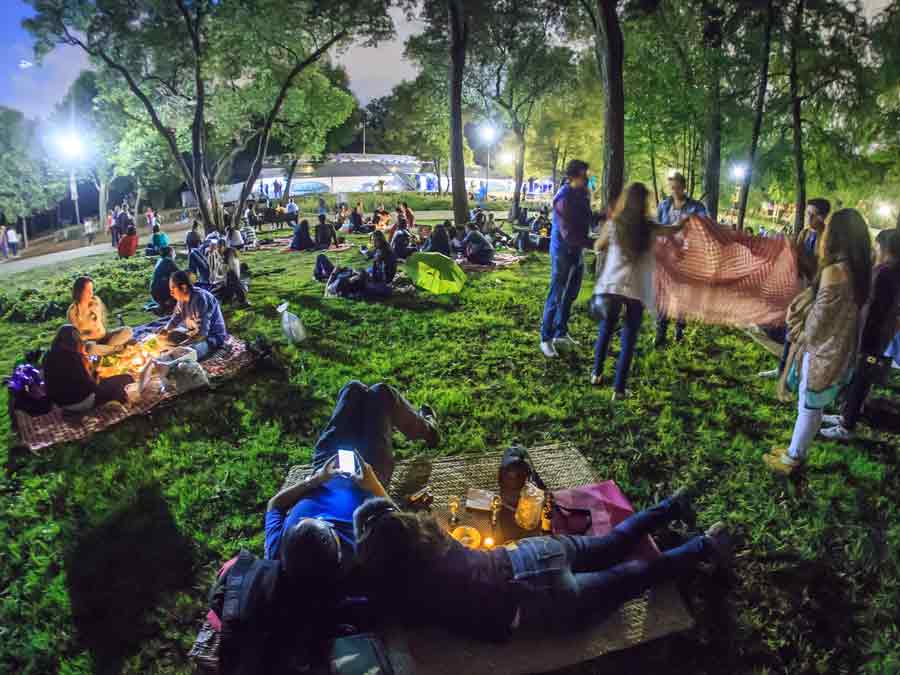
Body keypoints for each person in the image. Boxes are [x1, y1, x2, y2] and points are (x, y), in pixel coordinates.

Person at [354, 489, 729, 643]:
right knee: (612, 544)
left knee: (638, 576)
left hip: (538, 604)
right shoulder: (431, 535)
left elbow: (372, 611)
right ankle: (673, 505)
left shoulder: (405, 596)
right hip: (530, 555)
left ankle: (706, 546)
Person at [264, 381, 439, 584]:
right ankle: (429, 431)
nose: (323, 518)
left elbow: (274, 505)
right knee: (381, 394)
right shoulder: (362, 560)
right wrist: (373, 485)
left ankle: (416, 425)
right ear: (338, 552)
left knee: (353, 390)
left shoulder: (279, 554)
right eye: (327, 525)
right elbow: (401, 525)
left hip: (325, 471)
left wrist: (315, 480)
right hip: (367, 476)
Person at [764, 209, 872, 475]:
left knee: (808, 405)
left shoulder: (835, 271)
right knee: (814, 406)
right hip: (839, 347)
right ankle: (795, 451)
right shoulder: (860, 269)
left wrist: (799, 331)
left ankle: (793, 458)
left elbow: (818, 320)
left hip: (822, 350)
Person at [592, 183, 688, 399]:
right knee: (629, 338)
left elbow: (598, 246)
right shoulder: (651, 227)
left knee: (606, 330)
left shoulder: (615, 224)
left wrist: (606, 244)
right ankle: (619, 389)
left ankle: (596, 373)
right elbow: (674, 229)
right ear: (645, 203)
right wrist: (684, 222)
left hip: (612, 285)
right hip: (637, 289)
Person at [820, 228, 900, 440]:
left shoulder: (885, 272)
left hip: (870, 334)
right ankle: (846, 415)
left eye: (877, 245)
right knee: (860, 377)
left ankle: (847, 425)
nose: (875, 248)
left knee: (860, 378)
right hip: (877, 334)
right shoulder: (890, 271)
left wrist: (860, 332)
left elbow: (874, 307)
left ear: (885, 247)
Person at [758, 198, 833, 380]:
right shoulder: (805, 233)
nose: (808, 217)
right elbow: (797, 262)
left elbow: (819, 269)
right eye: (807, 213)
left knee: (805, 335)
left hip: (815, 295)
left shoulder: (828, 240)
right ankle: (784, 370)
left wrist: (797, 252)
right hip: (800, 290)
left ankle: (796, 374)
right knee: (791, 331)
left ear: (822, 217)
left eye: (811, 214)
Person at [540, 160, 594, 358]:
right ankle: (545, 338)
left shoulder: (582, 194)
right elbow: (568, 234)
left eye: (587, 174)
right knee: (556, 294)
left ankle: (560, 333)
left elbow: (588, 218)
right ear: (571, 177)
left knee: (571, 293)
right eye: (583, 175)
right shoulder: (562, 198)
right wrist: (593, 244)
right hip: (563, 251)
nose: (587, 178)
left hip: (577, 250)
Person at [654, 173, 708, 348]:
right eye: (672, 187)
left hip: (685, 257)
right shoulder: (664, 205)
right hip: (666, 257)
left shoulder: (697, 207)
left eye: (677, 187)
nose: (674, 190)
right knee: (663, 294)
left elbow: (703, 229)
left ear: (684, 187)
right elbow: (658, 228)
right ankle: (660, 331)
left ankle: (679, 331)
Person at [43, 325, 134, 412]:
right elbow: (91, 387)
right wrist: (94, 370)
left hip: (61, 404)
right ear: (75, 341)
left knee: (107, 380)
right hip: (82, 402)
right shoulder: (73, 357)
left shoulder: (47, 355)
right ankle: (114, 403)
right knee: (127, 378)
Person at [162, 270, 229, 361]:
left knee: (185, 354)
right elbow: (175, 319)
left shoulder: (200, 299)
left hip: (211, 337)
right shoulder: (181, 299)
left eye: (173, 289)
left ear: (184, 288)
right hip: (193, 332)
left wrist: (183, 345)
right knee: (167, 337)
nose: (171, 293)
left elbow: (202, 333)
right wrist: (165, 330)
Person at [66, 276, 134, 356]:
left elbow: (103, 320)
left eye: (92, 290)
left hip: (106, 336)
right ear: (79, 292)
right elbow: (78, 338)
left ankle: (107, 350)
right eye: (88, 291)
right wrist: (89, 335)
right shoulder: (73, 312)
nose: (91, 293)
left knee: (128, 330)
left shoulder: (96, 301)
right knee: (90, 348)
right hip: (93, 342)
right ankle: (119, 349)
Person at [150, 247, 180, 312]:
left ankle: (165, 304)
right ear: (170, 253)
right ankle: (168, 302)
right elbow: (180, 276)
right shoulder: (169, 261)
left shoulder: (160, 260)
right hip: (161, 294)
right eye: (174, 252)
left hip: (155, 293)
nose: (175, 254)